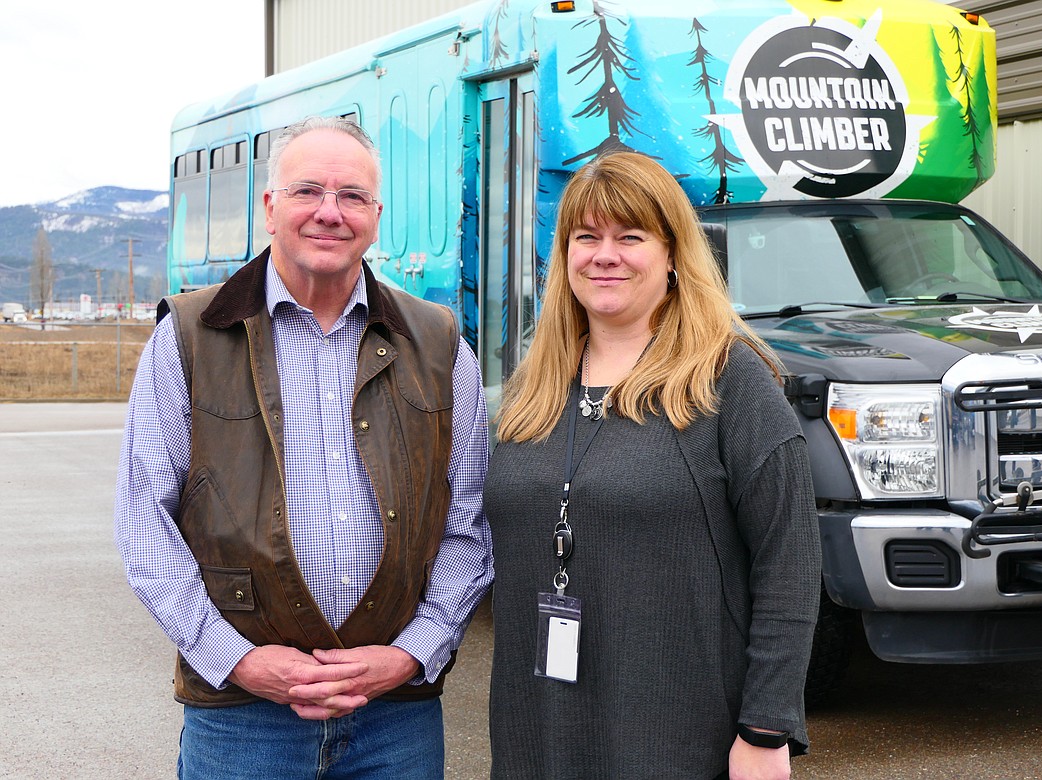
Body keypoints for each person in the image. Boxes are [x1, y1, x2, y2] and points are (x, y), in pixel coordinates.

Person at [115, 116, 493, 779]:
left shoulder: (439, 345)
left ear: (376, 216)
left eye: (351, 196)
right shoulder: (189, 339)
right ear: (269, 207)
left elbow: (469, 525)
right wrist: (235, 659)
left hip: (395, 720)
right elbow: (145, 521)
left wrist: (412, 653)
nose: (329, 212)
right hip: (240, 716)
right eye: (307, 191)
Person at [485, 152, 821, 780]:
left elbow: (790, 562)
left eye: (629, 237)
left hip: (676, 733)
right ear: (563, 257)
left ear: (672, 254)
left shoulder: (729, 380)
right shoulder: (535, 385)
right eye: (586, 238)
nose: (604, 255)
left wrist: (766, 728)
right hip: (539, 727)